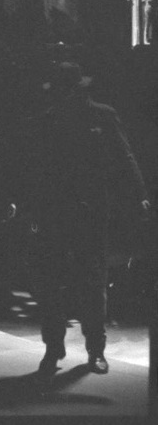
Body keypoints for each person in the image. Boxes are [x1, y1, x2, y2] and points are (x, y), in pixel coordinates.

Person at [24, 61, 151, 378]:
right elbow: (36, 169)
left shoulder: (101, 116)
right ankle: (55, 348)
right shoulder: (48, 120)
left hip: (90, 210)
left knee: (91, 281)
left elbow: (124, 156)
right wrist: (33, 209)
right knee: (55, 282)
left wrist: (139, 194)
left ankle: (95, 349)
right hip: (57, 211)